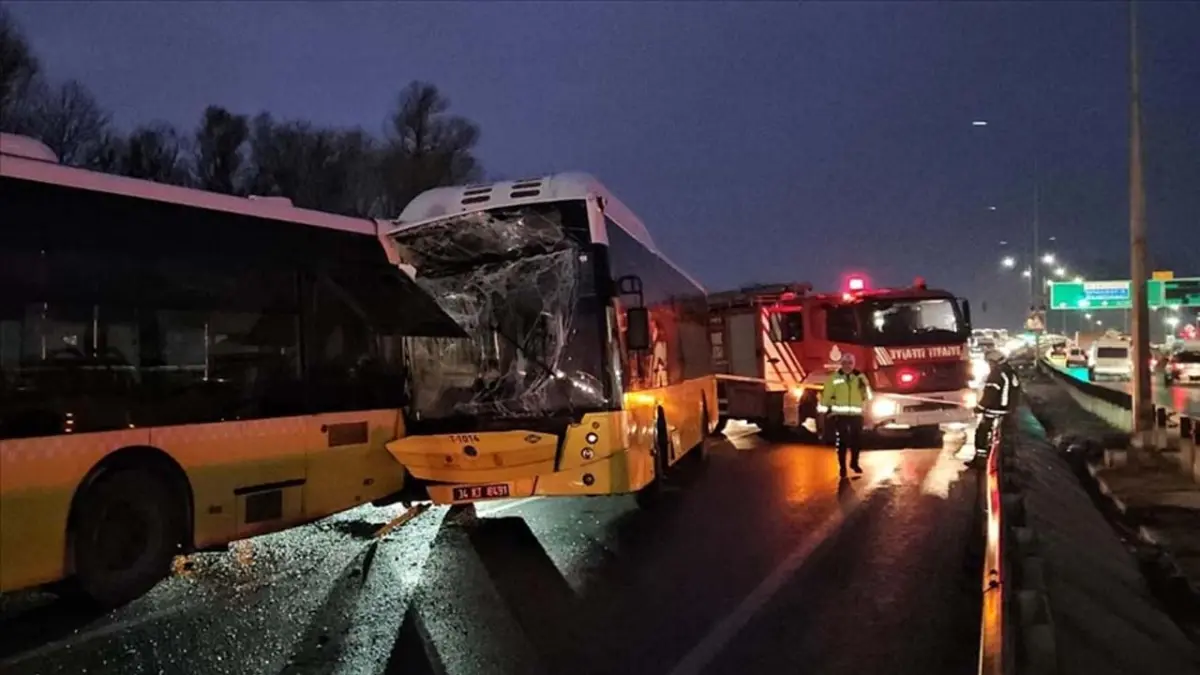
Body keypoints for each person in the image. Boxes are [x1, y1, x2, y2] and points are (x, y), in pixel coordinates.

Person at [820, 352, 872, 478]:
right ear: (841, 364)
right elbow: (826, 394)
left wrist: (866, 404)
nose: (847, 366)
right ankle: (842, 468)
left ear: (853, 364)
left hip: (856, 415)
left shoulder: (860, 377)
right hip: (840, 415)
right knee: (842, 441)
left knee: (857, 441)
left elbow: (868, 395)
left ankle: (854, 463)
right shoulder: (834, 378)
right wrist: (824, 409)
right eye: (844, 363)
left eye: (850, 363)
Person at [974, 348, 1019, 459]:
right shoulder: (1011, 372)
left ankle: (981, 458)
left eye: (989, 362)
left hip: (995, 409)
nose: (989, 365)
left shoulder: (996, 374)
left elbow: (990, 394)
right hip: (1008, 410)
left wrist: (979, 407)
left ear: (994, 361)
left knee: (982, 432)